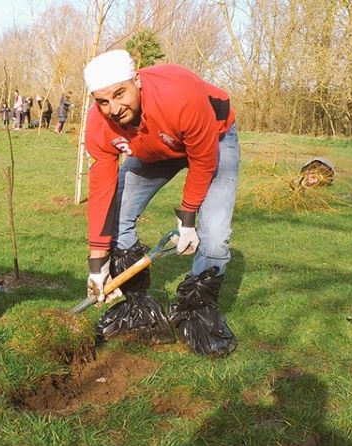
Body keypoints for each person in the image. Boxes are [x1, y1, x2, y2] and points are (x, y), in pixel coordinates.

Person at [82, 50, 239, 340]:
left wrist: (188, 218)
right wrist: (98, 263)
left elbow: (204, 161)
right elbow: (102, 190)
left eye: (120, 94)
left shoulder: (180, 95)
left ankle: (198, 316)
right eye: (103, 101)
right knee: (119, 212)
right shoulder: (99, 124)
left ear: (137, 79)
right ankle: (139, 311)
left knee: (214, 235)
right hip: (154, 144)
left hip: (213, 135)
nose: (113, 108)